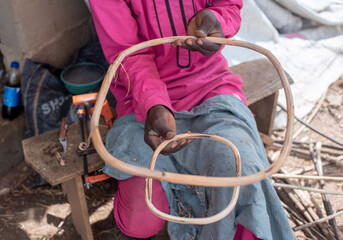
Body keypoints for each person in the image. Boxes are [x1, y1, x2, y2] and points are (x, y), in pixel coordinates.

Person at [89, 1, 294, 239]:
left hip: (210, 88)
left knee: (242, 173)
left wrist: (217, 20)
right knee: (139, 222)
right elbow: (127, 52)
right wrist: (154, 103)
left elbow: (228, 5)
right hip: (140, 100)